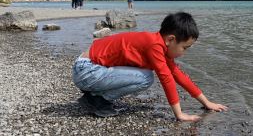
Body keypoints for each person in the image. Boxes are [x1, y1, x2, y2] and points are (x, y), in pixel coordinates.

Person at [72, 12, 228, 120]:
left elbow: (177, 75)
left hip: (89, 70)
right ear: (171, 39)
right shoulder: (153, 45)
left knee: (146, 74)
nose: (184, 53)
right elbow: (166, 78)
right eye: (185, 48)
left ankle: (96, 97)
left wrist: (206, 103)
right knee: (146, 78)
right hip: (87, 70)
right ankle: (97, 99)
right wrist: (179, 114)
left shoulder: (158, 44)